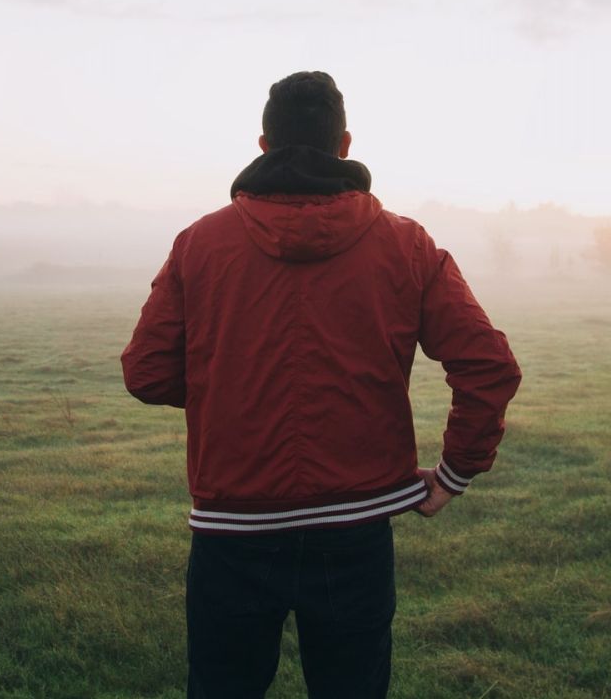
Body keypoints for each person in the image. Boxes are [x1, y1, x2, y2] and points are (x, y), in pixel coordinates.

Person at [121, 70, 521, 699]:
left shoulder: (198, 243)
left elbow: (145, 372)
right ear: (345, 144)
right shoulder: (407, 244)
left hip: (232, 531)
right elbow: (489, 364)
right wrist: (453, 476)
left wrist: (229, 381)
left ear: (262, 146)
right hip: (356, 531)